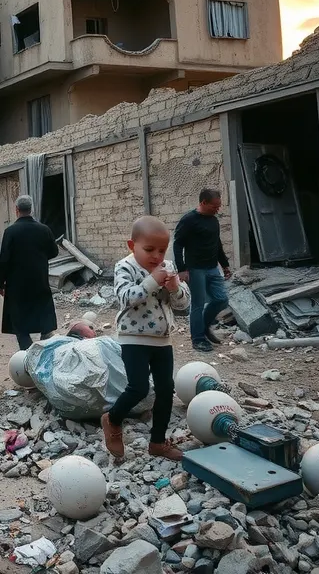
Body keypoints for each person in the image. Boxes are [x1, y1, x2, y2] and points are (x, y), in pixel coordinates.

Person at [101, 216, 191, 462]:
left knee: (165, 390)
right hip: (133, 338)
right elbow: (126, 297)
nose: (156, 256)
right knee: (138, 387)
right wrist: (153, 280)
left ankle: (158, 442)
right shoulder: (125, 267)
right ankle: (113, 419)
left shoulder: (168, 267)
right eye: (149, 249)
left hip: (162, 340)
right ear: (132, 246)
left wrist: (175, 287)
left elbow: (183, 305)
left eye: (162, 250)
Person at [0, 195, 60, 350]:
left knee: (20, 323)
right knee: (43, 315)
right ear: (31, 209)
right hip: (39, 280)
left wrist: (1, 282)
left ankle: (26, 352)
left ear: (17, 210)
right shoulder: (44, 229)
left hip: (16, 283)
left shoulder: (10, 231)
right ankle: (45, 343)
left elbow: (4, 259)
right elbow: (54, 252)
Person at [174, 189, 232, 353]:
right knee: (198, 304)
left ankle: (204, 326)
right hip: (195, 269)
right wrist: (182, 269)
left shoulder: (214, 220)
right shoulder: (189, 220)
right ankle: (198, 339)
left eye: (219, 206)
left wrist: (225, 265)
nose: (217, 209)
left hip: (213, 268)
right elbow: (178, 244)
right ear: (203, 203)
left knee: (221, 300)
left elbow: (217, 244)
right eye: (214, 206)